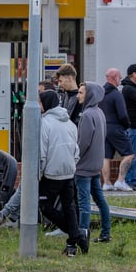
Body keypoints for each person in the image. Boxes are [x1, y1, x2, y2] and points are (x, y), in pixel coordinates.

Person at [38, 89, 86, 256]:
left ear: (45, 103)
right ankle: (73, 241)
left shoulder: (45, 124)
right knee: (69, 207)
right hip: (69, 172)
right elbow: (76, 150)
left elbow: (42, 153)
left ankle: (77, 235)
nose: (38, 105)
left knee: (45, 206)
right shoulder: (70, 123)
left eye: (39, 102)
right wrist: (72, 165)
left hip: (51, 174)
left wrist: (39, 174)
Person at [75, 82, 112, 244]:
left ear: (90, 94)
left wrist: (74, 158)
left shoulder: (87, 115)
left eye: (81, 92)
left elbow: (83, 143)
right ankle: (106, 233)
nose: (78, 96)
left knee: (84, 203)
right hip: (96, 164)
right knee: (100, 199)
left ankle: (83, 235)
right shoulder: (99, 113)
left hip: (83, 166)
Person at [99, 68, 134, 192]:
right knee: (129, 154)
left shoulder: (100, 93)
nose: (120, 79)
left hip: (103, 127)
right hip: (116, 127)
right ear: (114, 78)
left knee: (105, 156)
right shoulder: (116, 94)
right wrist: (126, 125)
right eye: (119, 77)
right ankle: (120, 181)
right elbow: (123, 115)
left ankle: (106, 183)